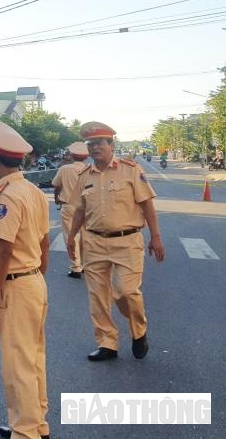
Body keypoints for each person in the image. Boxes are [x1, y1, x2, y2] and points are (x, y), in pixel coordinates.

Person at [66, 122, 164, 362]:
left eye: (99, 143)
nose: (95, 148)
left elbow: (147, 205)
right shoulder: (84, 176)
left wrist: (156, 237)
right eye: (90, 144)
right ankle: (107, 343)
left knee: (125, 292)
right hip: (94, 243)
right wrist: (71, 235)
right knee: (98, 297)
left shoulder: (130, 170)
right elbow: (79, 209)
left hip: (127, 241)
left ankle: (138, 331)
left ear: (111, 145)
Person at [0, 121, 51, 439]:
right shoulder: (32, 191)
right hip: (32, 282)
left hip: (16, 286)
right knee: (32, 359)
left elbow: (3, 252)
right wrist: (35, 276)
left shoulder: (7, 198)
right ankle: (36, 424)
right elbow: (44, 242)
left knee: (16, 366)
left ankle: (25, 433)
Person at [51, 141, 90, 278]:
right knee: (85, 236)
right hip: (86, 208)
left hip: (69, 207)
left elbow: (56, 185)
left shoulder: (65, 169)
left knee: (70, 236)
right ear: (86, 156)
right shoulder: (90, 169)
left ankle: (76, 267)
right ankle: (85, 264)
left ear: (72, 155)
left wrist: (56, 197)